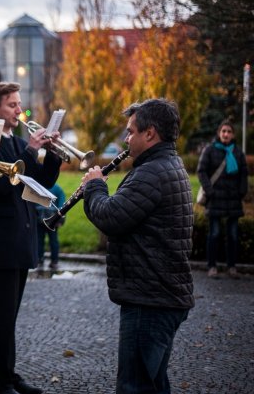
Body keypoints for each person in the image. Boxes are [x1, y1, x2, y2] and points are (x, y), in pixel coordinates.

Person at [81, 98, 194, 394]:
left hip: (150, 300)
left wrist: (94, 186)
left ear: (150, 133)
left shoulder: (152, 173)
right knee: (153, 384)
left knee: (135, 386)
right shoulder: (165, 165)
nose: (127, 138)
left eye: (131, 132)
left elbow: (111, 217)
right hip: (159, 295)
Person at [0, 81, 61, 394]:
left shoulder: (16, 139)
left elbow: (39, 182)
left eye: (19, 103)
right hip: (2, 240)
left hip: (21, 235)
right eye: (12, 105)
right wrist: (31, 149)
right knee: (3, 316)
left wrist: (51, 153)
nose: (19, 110)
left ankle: (8, 375)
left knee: (11, 316)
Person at [197, 120, 248, 279]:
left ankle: (231, 267)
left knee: (233, 235)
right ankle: (212, 266)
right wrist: (210, 191)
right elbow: (201, 171)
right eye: (223, 131)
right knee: (214, 234)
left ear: (233, 135)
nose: (226, 134)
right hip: (215, 199)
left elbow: (243, 174)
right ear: (219, 133)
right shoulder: (210, 150)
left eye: (229, 131)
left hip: (233, 200)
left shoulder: (238, 152)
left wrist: (242, 192)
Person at [36, 183, 66, 272]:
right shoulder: (58, 189)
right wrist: (60, 220)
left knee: (42, 240)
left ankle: (40, 260)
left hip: (43, 219)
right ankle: (54, 261)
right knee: (51, 241)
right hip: (50, 219)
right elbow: (62, 206)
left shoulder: (37, 187)